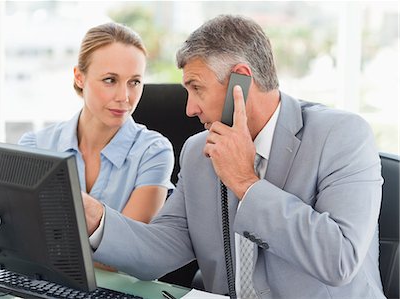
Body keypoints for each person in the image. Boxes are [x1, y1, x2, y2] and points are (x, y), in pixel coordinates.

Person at [85, 15, 385, 298]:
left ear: (239, 81)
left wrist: (245, 181)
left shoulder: (342, 136)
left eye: (197, 88)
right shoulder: (197, 152)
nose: (190, 109)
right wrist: (96, 220)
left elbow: (340, 260)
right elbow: (160, 250)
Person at [19, 23, 174, 233]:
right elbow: (23, 236)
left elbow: (127, 245)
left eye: (134, 82)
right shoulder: (36, 146)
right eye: (110, 80)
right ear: (79, 77)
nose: (124, 97)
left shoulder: (153, 152)